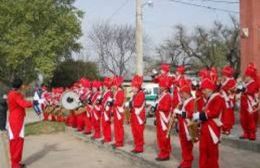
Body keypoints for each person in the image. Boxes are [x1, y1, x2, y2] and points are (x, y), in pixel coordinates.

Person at [193, 78, 224, 168]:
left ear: (209, 89)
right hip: (205, 128)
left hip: (212, 129)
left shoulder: (218, 98)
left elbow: (214, 112)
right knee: (203, 150)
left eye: (204, 90)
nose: (203, 92)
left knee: (212, 152)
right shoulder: (209, 99)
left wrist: (200, 115)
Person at [7, 78, 37, 168]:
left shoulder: (12, 93)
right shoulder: (16, 94)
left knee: (16, 141)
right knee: (17, 141)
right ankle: (15, 164)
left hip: (15, 119)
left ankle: (16, 162)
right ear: (19, 86)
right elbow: (23, 103)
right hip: (16, 121)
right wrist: (33, 103)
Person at [174, 80, 195, 168]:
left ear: (187, 93)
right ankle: (185, 160)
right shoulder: (185, 101)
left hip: (188, 127)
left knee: (187, 145)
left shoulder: (192, 101)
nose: (181, 95)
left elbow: (190, 114)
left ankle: (188, 163)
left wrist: (179, 113)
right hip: (182, 126)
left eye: (182, 93)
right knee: (183, 145)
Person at [239, 63, 259, 140]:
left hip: (250, 104)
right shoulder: (245, 83)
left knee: (251, 119)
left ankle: (252, 133)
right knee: (243, 118)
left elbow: (252, 91)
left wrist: (244, 90)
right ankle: (245, 132)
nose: (245, 77)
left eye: (247, 76)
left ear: (250, 77)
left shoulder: (254, 83)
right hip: (243, 104)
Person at [155, 75, 172, 161]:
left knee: (163, 137)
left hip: (164, 120)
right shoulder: (162, 95)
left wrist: (158, 106)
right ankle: (162, 152)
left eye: (161, 86)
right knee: (160, 137)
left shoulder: (168, 96)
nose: (159, 87)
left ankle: (165, 153)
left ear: (165, 87)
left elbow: (166, 108)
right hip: (160, 119)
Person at [129, 75, 146, 153]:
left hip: (138, 117)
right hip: (134, 116)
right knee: (134, 131)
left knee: (139, 132)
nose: (132, 88)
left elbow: (137, 104)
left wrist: (131, 102)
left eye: (133, 87)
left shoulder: (141, 94)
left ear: (137, 87)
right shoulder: (135, 94)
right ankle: (137, 146)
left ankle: (139, 147)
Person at [220, 65, 236, 135]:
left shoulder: (231, 81)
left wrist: (224, 90)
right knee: (223, 115)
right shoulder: (224, 81)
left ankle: (227, 129)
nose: (222, 76)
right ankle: (224, 128)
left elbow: (232, 91)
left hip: (228, 101)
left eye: (223, 74)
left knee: (227, 115)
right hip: (223, 100)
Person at [112, 76, 125, 148]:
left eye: (114, 85)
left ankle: (120, 142)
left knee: (119, 127)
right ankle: (117, 141)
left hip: (119, 112)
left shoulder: (120, 92)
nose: (113, 87)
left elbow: (119, 103)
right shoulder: (117, 92)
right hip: (117, 112)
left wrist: (113, 102)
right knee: (116, 127)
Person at [101, 77, 113, 143]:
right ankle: (105, 137)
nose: (103, 87)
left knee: (106, 125)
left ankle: (108, 138)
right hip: (104, 110)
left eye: (104, 86)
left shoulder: (109, 93)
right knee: (104, 125)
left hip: (106, 111)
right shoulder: (105, 93)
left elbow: (109, 103)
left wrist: (107, 111)